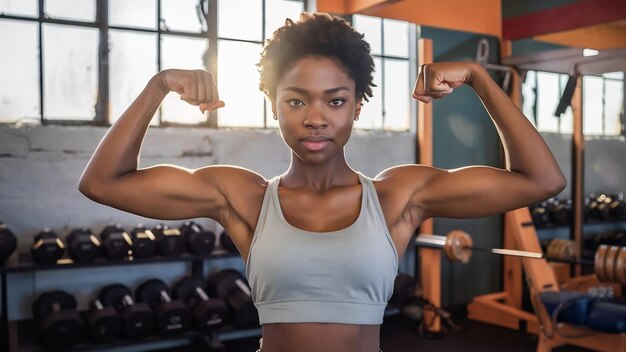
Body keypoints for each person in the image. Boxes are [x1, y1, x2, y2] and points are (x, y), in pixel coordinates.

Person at [79, 12, 566, 352]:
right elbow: (103, 182)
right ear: (274, 105)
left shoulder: (398, 196)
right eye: (296, 100)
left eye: (334, 101)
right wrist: (158, 84)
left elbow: (541, 180)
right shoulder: (243, 197)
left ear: (357, 106)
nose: (315, 118)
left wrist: (481, 79)